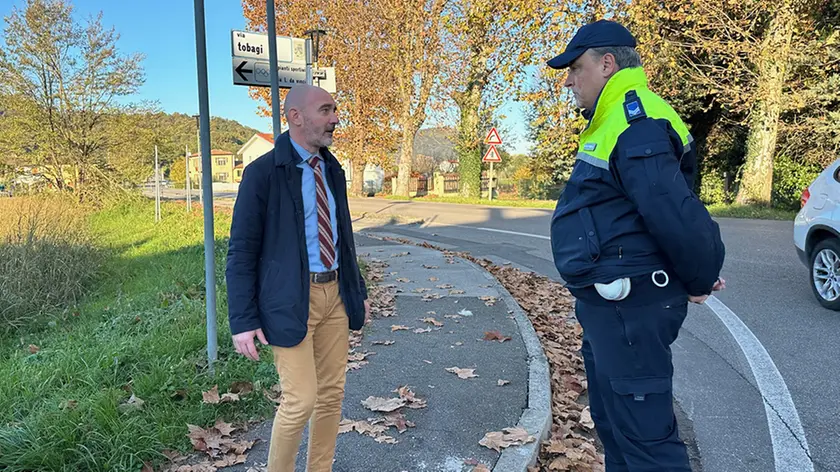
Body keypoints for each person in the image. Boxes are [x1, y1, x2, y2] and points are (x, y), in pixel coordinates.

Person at [547, 20, 726, 471]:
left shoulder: (636, 119)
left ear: (607, 64)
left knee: (647, 444)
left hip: (630, 308)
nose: (569, 79)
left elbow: (674, 212)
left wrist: (699, 276)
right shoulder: (614, 117)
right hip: (612, 310)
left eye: (575, 67)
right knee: (616, 428)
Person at [225, 84, 370, 472]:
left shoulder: (332, 169)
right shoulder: (262, 174)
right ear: (295, 117)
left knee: (331, 396)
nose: (335, 119)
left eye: (335, 110)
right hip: (288, 299)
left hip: (335, 294)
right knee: (300, 400)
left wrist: (358, 291)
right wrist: (243, 319)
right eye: (326, 110)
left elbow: (343, 235)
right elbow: (241, 250)